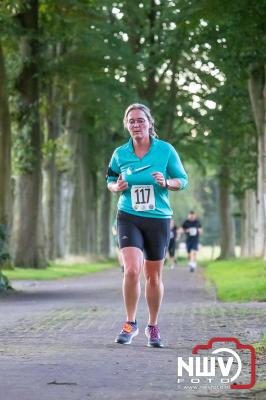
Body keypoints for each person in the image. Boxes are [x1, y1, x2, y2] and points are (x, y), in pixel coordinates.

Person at [106, 103, 188, 347]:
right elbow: (110, 180)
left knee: (153, 276)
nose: (136, 124)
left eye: (140, 120)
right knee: (131, 270)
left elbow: (182, 180)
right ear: (126, 125)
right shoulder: (120, 153)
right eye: (131, 121)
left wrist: (167, 182)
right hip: (128, 215)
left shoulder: (165, 150)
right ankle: (130, 323)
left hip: (158, 218)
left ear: (149, 123)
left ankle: (153, 326)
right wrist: (116, 187)